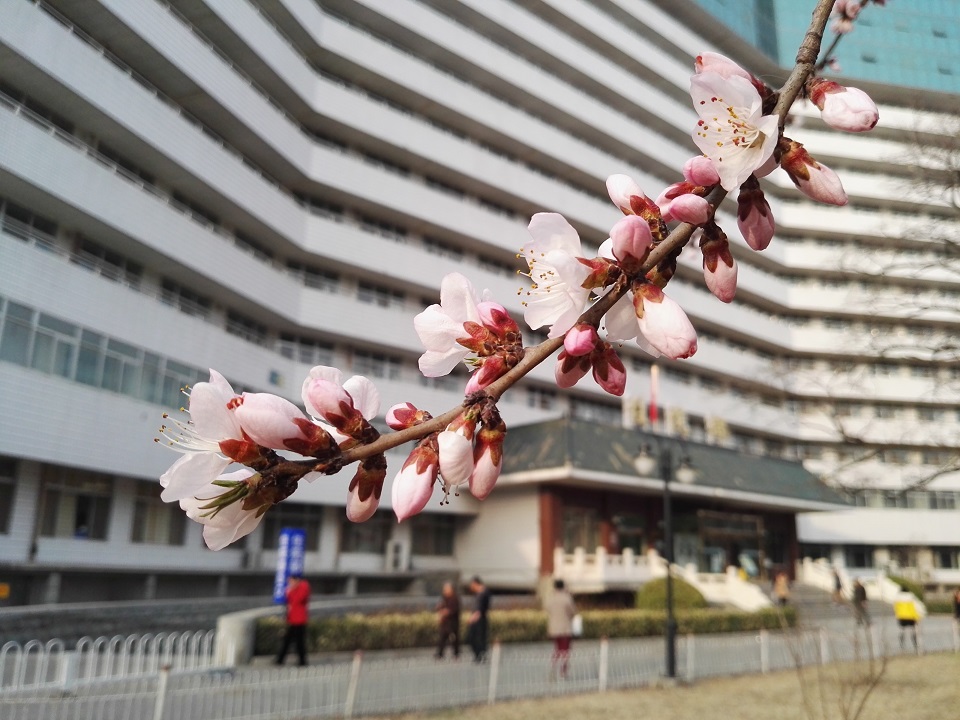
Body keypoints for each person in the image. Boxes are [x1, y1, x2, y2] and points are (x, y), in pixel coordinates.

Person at [543, 578, 577, 678]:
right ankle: (563, 671)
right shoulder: (567, 598)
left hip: (553, 628)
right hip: (565, 628)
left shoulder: (550, 598)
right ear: (563, 586)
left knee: (557, 649)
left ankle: (553, 668)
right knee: (565, 650)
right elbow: (573, 612)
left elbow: (547, 608)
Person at [275, 573, 311, 666]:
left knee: (299, 641)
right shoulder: (293, 589)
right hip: (292, 619)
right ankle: (281, 659)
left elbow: (298, 599)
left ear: (296, 580)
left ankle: (301, 661)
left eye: (291, 581)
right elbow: (289, 601)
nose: (290, 583)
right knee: (288, 640)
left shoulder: (303, 587)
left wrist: (290, 591)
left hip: (300, 619)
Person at [892, 584, 926, 653]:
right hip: (910, 616)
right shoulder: (911, 597)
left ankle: (902, 644)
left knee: (902, 631)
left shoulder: (897, 598)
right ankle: (915, 644)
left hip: (901, 617)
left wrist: (897, 615)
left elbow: (895, 608)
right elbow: (913, 608)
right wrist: (917, 617)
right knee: (913, 631)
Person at [466, 576, 491, 663]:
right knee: (476, 638)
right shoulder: (479, 593)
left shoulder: (483, 593)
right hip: (477, 619)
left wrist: (472, 618)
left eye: (472, 585)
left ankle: (480, 655)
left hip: (479, 620)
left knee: (478, 638)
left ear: (475, 583)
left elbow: (479, 610)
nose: (471, 587)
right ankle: (479, 655)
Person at [435, 581, 461, 660]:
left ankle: (456, 654)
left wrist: (444, 613)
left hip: (452, 623)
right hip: (445, 623)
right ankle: (440, 654)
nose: (445, 591)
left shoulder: (455, 598)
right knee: (442, 638)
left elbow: (452, 610)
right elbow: (440, 607)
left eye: (446, 589)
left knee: (454, 639)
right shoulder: (444, 599)